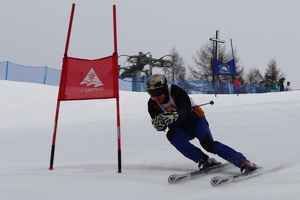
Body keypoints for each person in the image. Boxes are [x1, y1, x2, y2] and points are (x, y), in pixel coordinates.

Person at [147, 74, 258, 174]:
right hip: (181, 128)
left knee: (208, 145)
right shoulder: (152, 104)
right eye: (152, 94)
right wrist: (159, 126)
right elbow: (161, 126)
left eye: (158, 93)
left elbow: (185, 109)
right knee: (170, 135)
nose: (156, 97)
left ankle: (243, 162)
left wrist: (176, 115)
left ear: (165, 89)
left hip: (196, 122)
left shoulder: (175, 91)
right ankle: (203, 160)